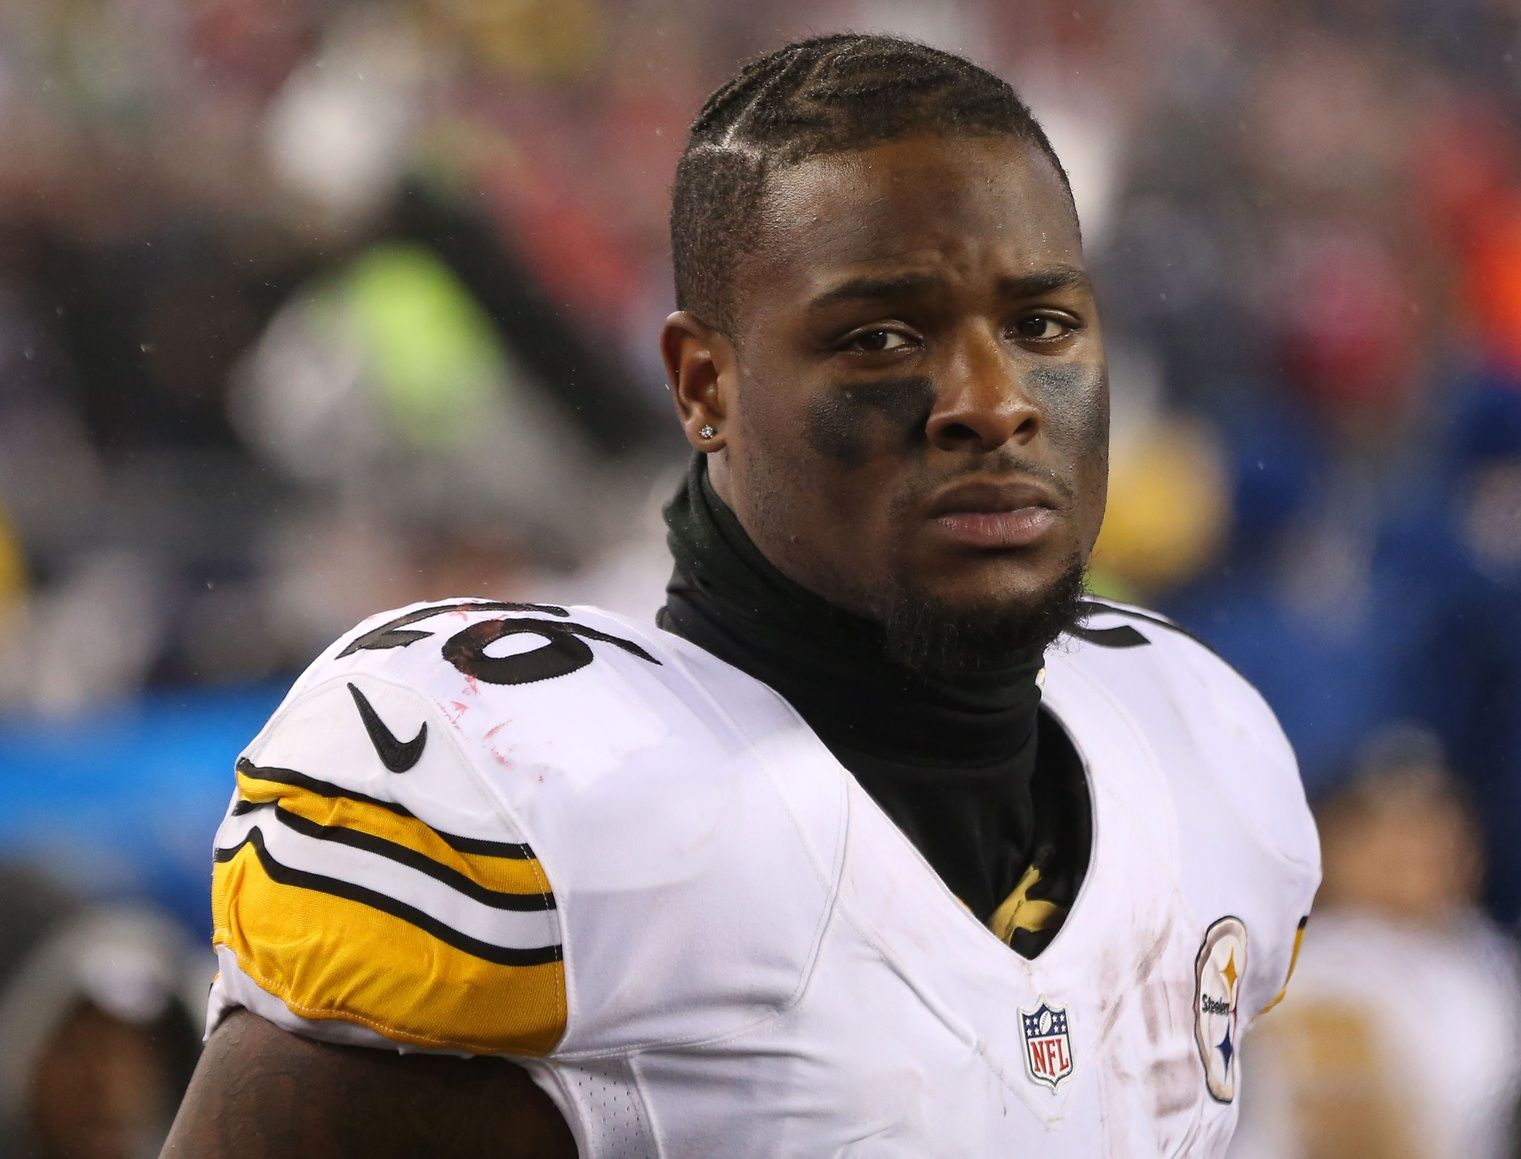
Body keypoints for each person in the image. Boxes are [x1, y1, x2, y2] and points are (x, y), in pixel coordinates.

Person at [164, 34, 1319, 1156]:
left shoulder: (1200, 744)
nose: (993, 398)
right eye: (880, 337)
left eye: (1042, 325)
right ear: (704, 385)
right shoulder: (558, 797)